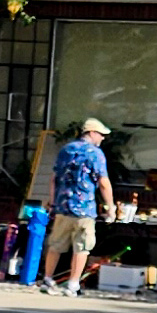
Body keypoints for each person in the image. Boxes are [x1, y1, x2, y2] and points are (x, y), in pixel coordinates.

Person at [37, 116, 117, 297]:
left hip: (62, 206)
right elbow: (103, 183)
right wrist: (111, 207)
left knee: (55, 245)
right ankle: (73, 284)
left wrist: (53, 202)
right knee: (82, 247)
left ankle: (47, 279)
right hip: (84, 209)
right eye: (101, 134)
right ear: (92, 133)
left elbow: (54, 178)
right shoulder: (96, 154)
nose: (103, 138)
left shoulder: (66, 150)